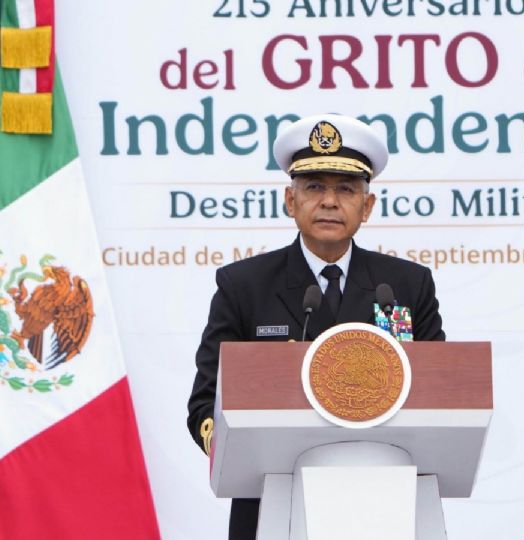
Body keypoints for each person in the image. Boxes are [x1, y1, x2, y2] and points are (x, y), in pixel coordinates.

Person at [186, 113, 446, 539]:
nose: (329, 201)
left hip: (385, 503)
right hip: (274, 506)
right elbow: (205, 403)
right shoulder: (244, 286)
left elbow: (439, 395)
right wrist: (233, 446)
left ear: (367, 207)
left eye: (345, 189)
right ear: (290, 202)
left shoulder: (406, 285)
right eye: (314, 187)